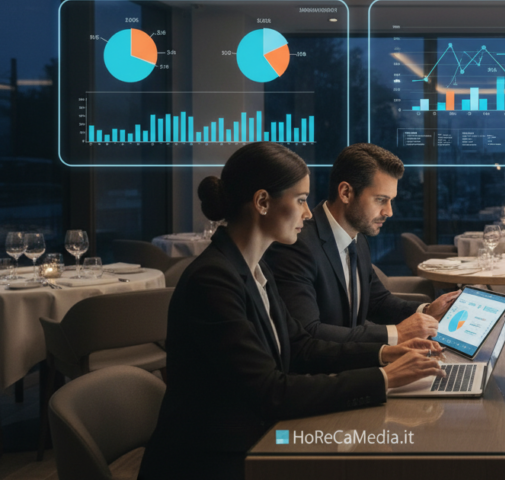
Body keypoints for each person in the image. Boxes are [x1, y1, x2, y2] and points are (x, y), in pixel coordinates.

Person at [139, 143, 444, 480]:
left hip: (256, 434)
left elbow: (302, 345)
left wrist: (387, 353)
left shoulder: (254, 268)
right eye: (300, 200)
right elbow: (271, 392)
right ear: (262, 202)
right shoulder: (213, 280)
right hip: (214, 459)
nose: (309, 212)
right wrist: (385, 378)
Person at [265, 143, 459, 345]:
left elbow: (378, 301)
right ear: (346, 193)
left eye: (391, 200)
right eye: (381, 200)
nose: (389, 212)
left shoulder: (357, 239)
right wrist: (396, 335)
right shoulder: (297, 245)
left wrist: (427, 311)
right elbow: (308, 332)